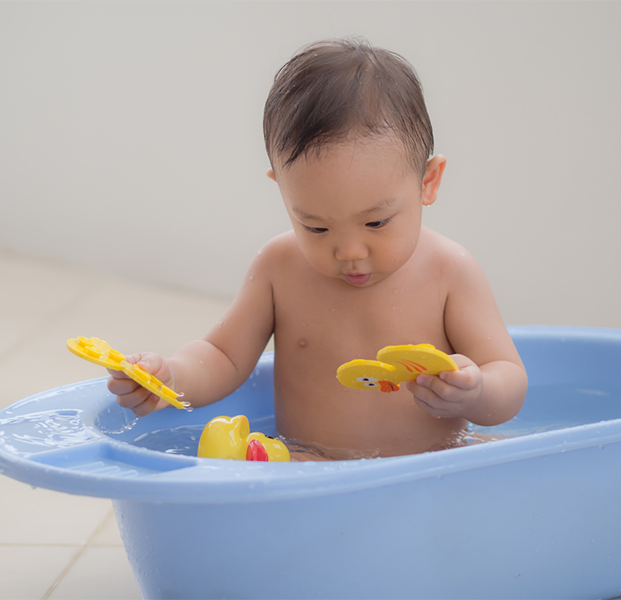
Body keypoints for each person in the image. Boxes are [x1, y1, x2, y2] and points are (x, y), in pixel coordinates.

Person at [108, 38, 528, 459]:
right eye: (317, 227)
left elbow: (508, 379)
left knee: (517, 459)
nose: (350, 251)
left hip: (430, 464)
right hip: (312, 464)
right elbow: (223, 356)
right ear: (283, 190)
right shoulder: (278, 267)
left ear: (427, 183)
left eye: (376, 222)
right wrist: (172, 378)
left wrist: (476, 393)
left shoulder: (448, 272)